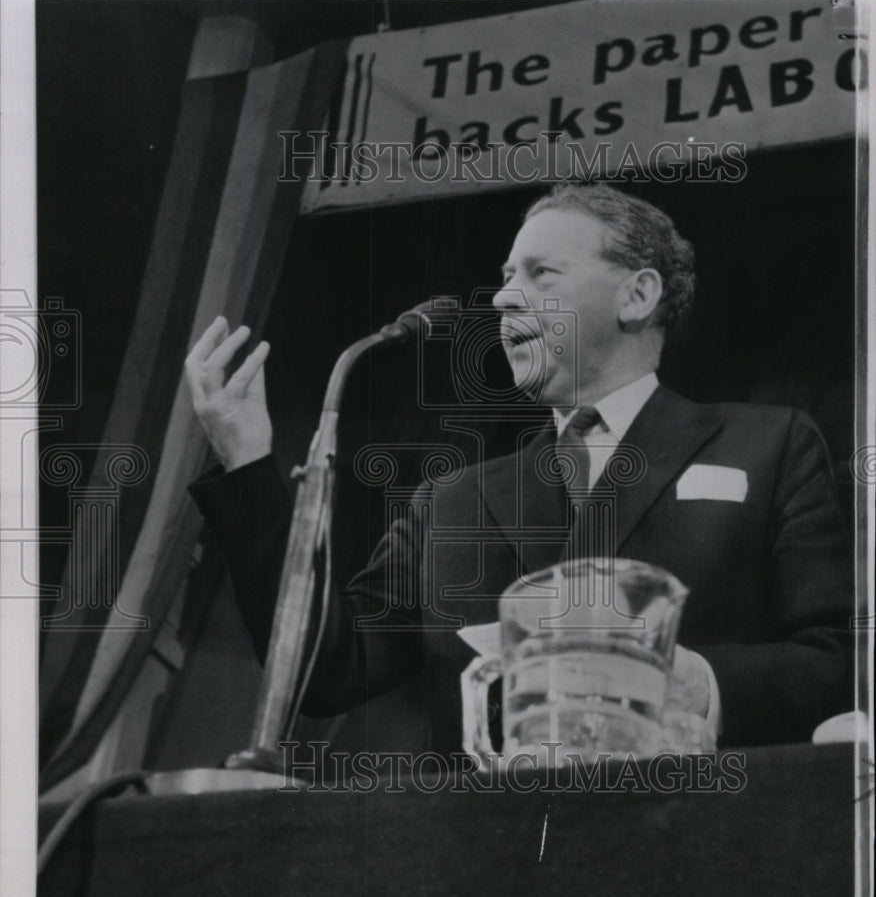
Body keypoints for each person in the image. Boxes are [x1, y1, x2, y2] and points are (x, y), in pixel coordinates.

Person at [186, 183, 853, 755]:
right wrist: (246, 464)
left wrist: (694, 682)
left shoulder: (767, 447)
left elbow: (841, 661)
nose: (504, 299)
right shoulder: (449, 502)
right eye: (506, 276)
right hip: (492, 862)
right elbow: (321, 670)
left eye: (541, 273)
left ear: (638, 294)